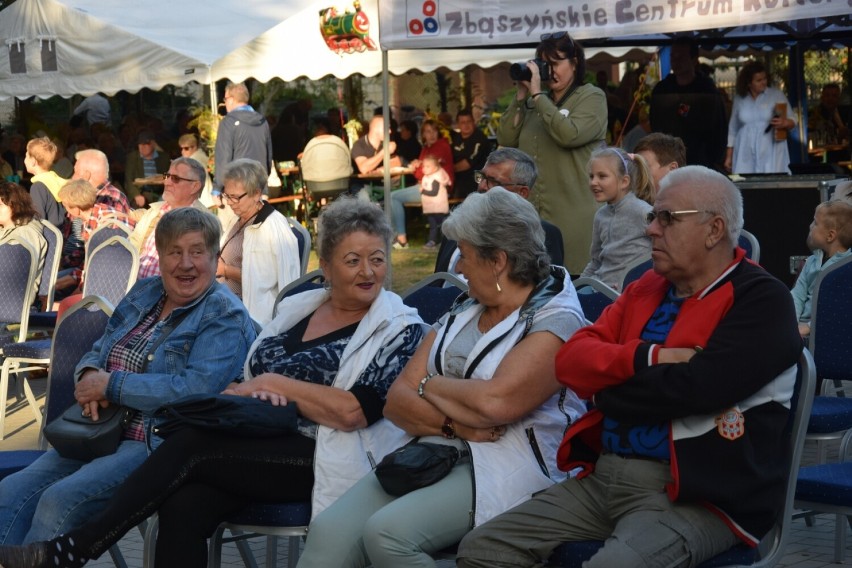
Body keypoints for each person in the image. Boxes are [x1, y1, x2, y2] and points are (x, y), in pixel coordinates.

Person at [0, 198, 426, 568]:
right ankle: (68, 549)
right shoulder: (301, 309)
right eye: (353, 260)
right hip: (260, 436)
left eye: (378, 258)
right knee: (183, 504)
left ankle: (75, 548)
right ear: (328, 267)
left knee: (191, 442)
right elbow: (245, 377)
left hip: (326, 450)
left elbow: (353, 411)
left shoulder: (399, 328)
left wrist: (281, 387)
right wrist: (91, 373)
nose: (368, 271)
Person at [456, 166, 803, 568]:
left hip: (697, 495)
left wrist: (607, 391)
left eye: (667, 218)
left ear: (714, 230)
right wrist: (647, 359)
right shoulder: (645, 288)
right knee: (482, 550)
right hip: (603, 479)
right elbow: (570, 360)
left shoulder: (762, 300)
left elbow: (698, 388)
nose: (651, 229)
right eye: (652, 216)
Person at [297, 187, 587, 567]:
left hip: (513, 463)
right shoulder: (468, 305)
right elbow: (398, 401)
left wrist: (428, 385)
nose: (459, 269)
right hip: (436, 449)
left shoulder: (557, 320)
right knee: (329, 531)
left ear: (497, 260)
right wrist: (454, 423)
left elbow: (495, 404)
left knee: (387, 535)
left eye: (464, 256)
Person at [0, 207, 256, 547]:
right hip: (97, 431)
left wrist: (112, 385)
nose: (186, 263)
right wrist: (90, 373)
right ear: (160, 256)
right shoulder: (145, 292)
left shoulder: (224, 314)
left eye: (197, 252)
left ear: (214, 257)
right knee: (9, 492)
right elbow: (99, 348)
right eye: (174, 252)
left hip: (157, 443)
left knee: (58, 501)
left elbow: (196, 390)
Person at [496, 31, 607, 275]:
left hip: (575, 220)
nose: (550, 71)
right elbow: (505, 137)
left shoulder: (591, 97)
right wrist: (521, 96)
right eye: (545, 65)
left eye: (556, 64)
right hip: (534, 220)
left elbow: (569, 134)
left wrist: (537, 96)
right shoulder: (536, 102)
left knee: (575, 289)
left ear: (575, 63)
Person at [435, 148, 564, 274]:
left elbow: (544, 291)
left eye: (493, 181)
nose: (482, 186)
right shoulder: (455, 225)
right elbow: (437, 281)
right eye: (481, 177)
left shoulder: (545, 235)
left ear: (522, 192)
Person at [217, 158, 300, 326]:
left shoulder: (274, 228)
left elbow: (271, 283)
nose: (229, 203)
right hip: (226, 304)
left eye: (235, 197)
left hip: (250, 317)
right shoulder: (237, 219)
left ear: (256, 193)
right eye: (226, 195)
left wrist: (225, 270)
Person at [580, 147, 655, 290]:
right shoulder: (600, 215)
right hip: (600, 289)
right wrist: (575, 288)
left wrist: (635, 282)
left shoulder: (642, 211)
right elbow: (596, 261)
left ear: (624, 181)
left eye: (602, 176)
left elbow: (661, 251)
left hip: (630, 292)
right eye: (591, 176)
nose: (593, 182)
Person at [649, 36, 728, 171]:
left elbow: (718, 128)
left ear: (694, 59)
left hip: (702, 163)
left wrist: (716, 160)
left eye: (681, 57)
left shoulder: (706, 89)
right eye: (673, 56)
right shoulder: (663, 89)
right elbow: (655, 123)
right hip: (669, 161)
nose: (675, 61)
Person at [129, 157, 211, 279]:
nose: (166, 182)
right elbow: (132, 247)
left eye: (175, 179)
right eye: (167, 176)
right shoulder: (156, 211)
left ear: (195, 186)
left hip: (170, 294)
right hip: (136, 288)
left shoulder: (202, 223)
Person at [790, 200, 852, 339]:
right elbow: (797, 295)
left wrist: (809, 327)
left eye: (815, 223)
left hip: (831, 330)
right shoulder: (811, 262)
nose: (810, 226)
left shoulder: (847, 267)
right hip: (800, 328)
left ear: (830, 236)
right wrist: (791, 324)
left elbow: (840, 308)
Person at [390, 119, 454, 249]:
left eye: (433, 131)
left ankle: (401, 239)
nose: (431, 135)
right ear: (423, 134)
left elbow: (422, 172)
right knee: (392, 195)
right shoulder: (426, 148)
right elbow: (421, 171)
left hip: (438, 190)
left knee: (393, 197)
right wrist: (417, 166)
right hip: (426, 185)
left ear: (438, 132)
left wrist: (417, 167)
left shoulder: (441, 146)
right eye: (427, 132)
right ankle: (396, 236)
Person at [724, 60, 795, 174]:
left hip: (771, 148)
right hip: (745, 148)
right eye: (759, 80)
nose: (763, 82)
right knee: (746, 182)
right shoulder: (739, 98)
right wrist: (729, 156)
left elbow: (793, 120)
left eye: (765, 79)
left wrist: (785, 123)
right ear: (748, 83)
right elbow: (733, 129)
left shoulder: (776, 95)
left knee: (772, 182)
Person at [213, 82, 274, 198]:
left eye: (225, 99)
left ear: (231, 99)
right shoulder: (263, 121)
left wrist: (217, 188)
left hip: (236, 192)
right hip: (260, 188)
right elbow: (268, 158)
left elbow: (223, 158)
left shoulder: (228, 122)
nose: (225, 103)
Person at [0, 181, 47, 300]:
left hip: (12, 299)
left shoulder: (26, 234)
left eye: (0, 205)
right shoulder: (5, 229)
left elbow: (11, 272)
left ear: (16, 206)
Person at [72, 149, 132, 215]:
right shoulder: (88, 196)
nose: (72, 177)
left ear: (86, 175)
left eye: (76, 172)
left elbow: (109, 224)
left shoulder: (111, 199)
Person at [24, 137, 66, 227]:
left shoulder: (38, 187)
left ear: (33, 161)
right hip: (61, 233)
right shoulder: (57, 180)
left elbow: (37, 220)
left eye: (26, 156)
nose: (24, 160)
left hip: (49, 236)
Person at [124, 130, 170, 209]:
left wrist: (163, 180)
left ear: (153, 144)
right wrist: (136, 195)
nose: (142, 146)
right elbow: (128, 180)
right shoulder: (133, 157)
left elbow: (167, 175)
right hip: (141, 192)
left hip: (159, 192)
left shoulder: (164, 157)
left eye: (146, 143)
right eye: (140, 144)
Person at [451, 108, 491, 199]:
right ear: (458, 125)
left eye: (469, 121)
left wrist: (448, 170)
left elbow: (467, 164)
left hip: (475, 181)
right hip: (458, 180)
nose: (466, 125)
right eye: (462, 122)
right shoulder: (455, 138)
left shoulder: (480, 139)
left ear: (474, 122)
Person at [418, 154, 452, 250]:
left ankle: (440, 241)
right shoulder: (427, 177)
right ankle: (433, 241)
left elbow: (434, 192)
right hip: (431, 208)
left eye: (428, 166)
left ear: (435, 168)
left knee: (439, 225)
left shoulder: (436, 178)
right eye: (423, 166)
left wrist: (422, 191)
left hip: (437, 207)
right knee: (433, 225)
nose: (424, 168)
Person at [178, 133, 215, 209]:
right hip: (206, 200)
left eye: (186, 148)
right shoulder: (200, 154)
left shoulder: (194, 160)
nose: (182, 151)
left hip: (202, 202)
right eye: (181, 148)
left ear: (194, 147)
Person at [808, 83, 849, 147]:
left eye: (834, 96)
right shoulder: (814, 113)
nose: (830, 99)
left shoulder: (845, 113)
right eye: (827, 95)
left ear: (839, 99)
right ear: (822, 97)